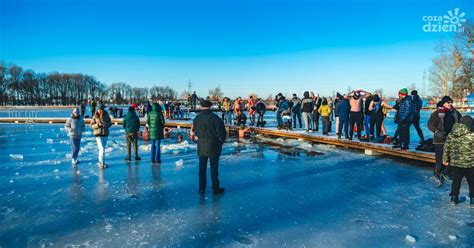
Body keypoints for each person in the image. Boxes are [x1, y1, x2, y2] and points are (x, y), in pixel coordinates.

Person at [191, 100, 227, 195]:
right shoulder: (215, 118)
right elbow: (222, 134)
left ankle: (201, 188)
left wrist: (197, 139)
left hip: (201, 146)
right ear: (210, 107)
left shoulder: (197, 118)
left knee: (202, 169)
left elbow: (194, 132)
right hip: (214, 146)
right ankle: (215, 188)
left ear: (201, 107)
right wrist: (220, 143)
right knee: (214, 168)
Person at [428, 96, 462, 183]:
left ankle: (446, 173)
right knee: (440, 159)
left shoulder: (455, 113)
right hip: (440, 140)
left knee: (452, 158)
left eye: (451, 102)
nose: (450, 104)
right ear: (443, 103)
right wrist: (437, 132)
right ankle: (437, 174)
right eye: (448, 102)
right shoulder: (437, 113)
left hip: (452, 139)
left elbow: (462, 123)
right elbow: (430, 125)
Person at [442, 116, 474, 206]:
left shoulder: (451, 135)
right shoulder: (472, 136)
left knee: (456, 181)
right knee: (472, 182)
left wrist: (445, 160)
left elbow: (446, 148)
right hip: (470, 164)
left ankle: (454, 198)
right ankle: (473, 199)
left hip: (455, 164)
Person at [91, 104, 112, 168]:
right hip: (98, 134)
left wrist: (105, 124)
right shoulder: (94, 116)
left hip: (105, 134)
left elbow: (110, 123)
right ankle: (101, 162)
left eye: (101, 109)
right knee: (101, 148)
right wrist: (98, 125)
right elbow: (92, 125)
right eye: (99, 109)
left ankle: (102, 161)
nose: (100, 111)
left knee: (103, 149)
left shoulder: (106, 115)